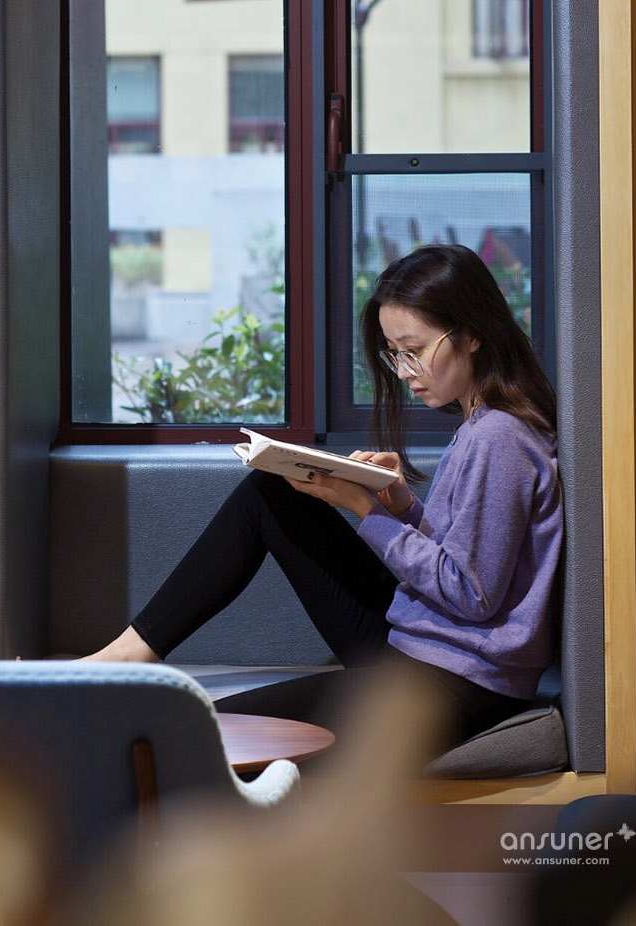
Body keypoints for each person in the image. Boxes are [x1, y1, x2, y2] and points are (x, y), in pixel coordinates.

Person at [88, 244, 563, 747]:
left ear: (472, 335)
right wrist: (401, 506)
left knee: (194, 732)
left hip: (459, 683)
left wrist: (366, 510)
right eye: (394, 353)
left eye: (415, 350)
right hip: (432, 648)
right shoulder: (481, 425)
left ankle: (126, 682)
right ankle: (129, 654)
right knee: (272, 491)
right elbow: (467, 558)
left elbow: (471, 593)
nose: (404, 371)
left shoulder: (500, 437)